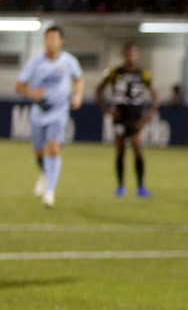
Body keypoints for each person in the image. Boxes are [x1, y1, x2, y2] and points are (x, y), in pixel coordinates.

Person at [15, 25, 84, 208]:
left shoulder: (69, 61)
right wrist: (32, 94)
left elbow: (79, 78)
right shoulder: (35, 62)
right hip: (39, 112)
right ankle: (45, 174)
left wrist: (77, 95)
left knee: (53, 148)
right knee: (39, 152)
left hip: (59, 112)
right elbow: (19, 86)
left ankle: (50, 192)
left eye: (54, 39)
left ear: (61, 41)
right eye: (47, 39)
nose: (50, 42)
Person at [96, 42, 159, 197]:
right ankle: (120, 186)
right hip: (120, 115)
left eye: (133, 53)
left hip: (136, 115)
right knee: (120, 151)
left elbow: (155, 96)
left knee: (138, 150)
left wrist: (147, 116)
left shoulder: (143, 74)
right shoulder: (114, 73)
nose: (131, 56)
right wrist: (106, 109)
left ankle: (141, 186)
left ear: (136, 55)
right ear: (123, 54)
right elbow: (99, 90)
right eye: (128, 53)